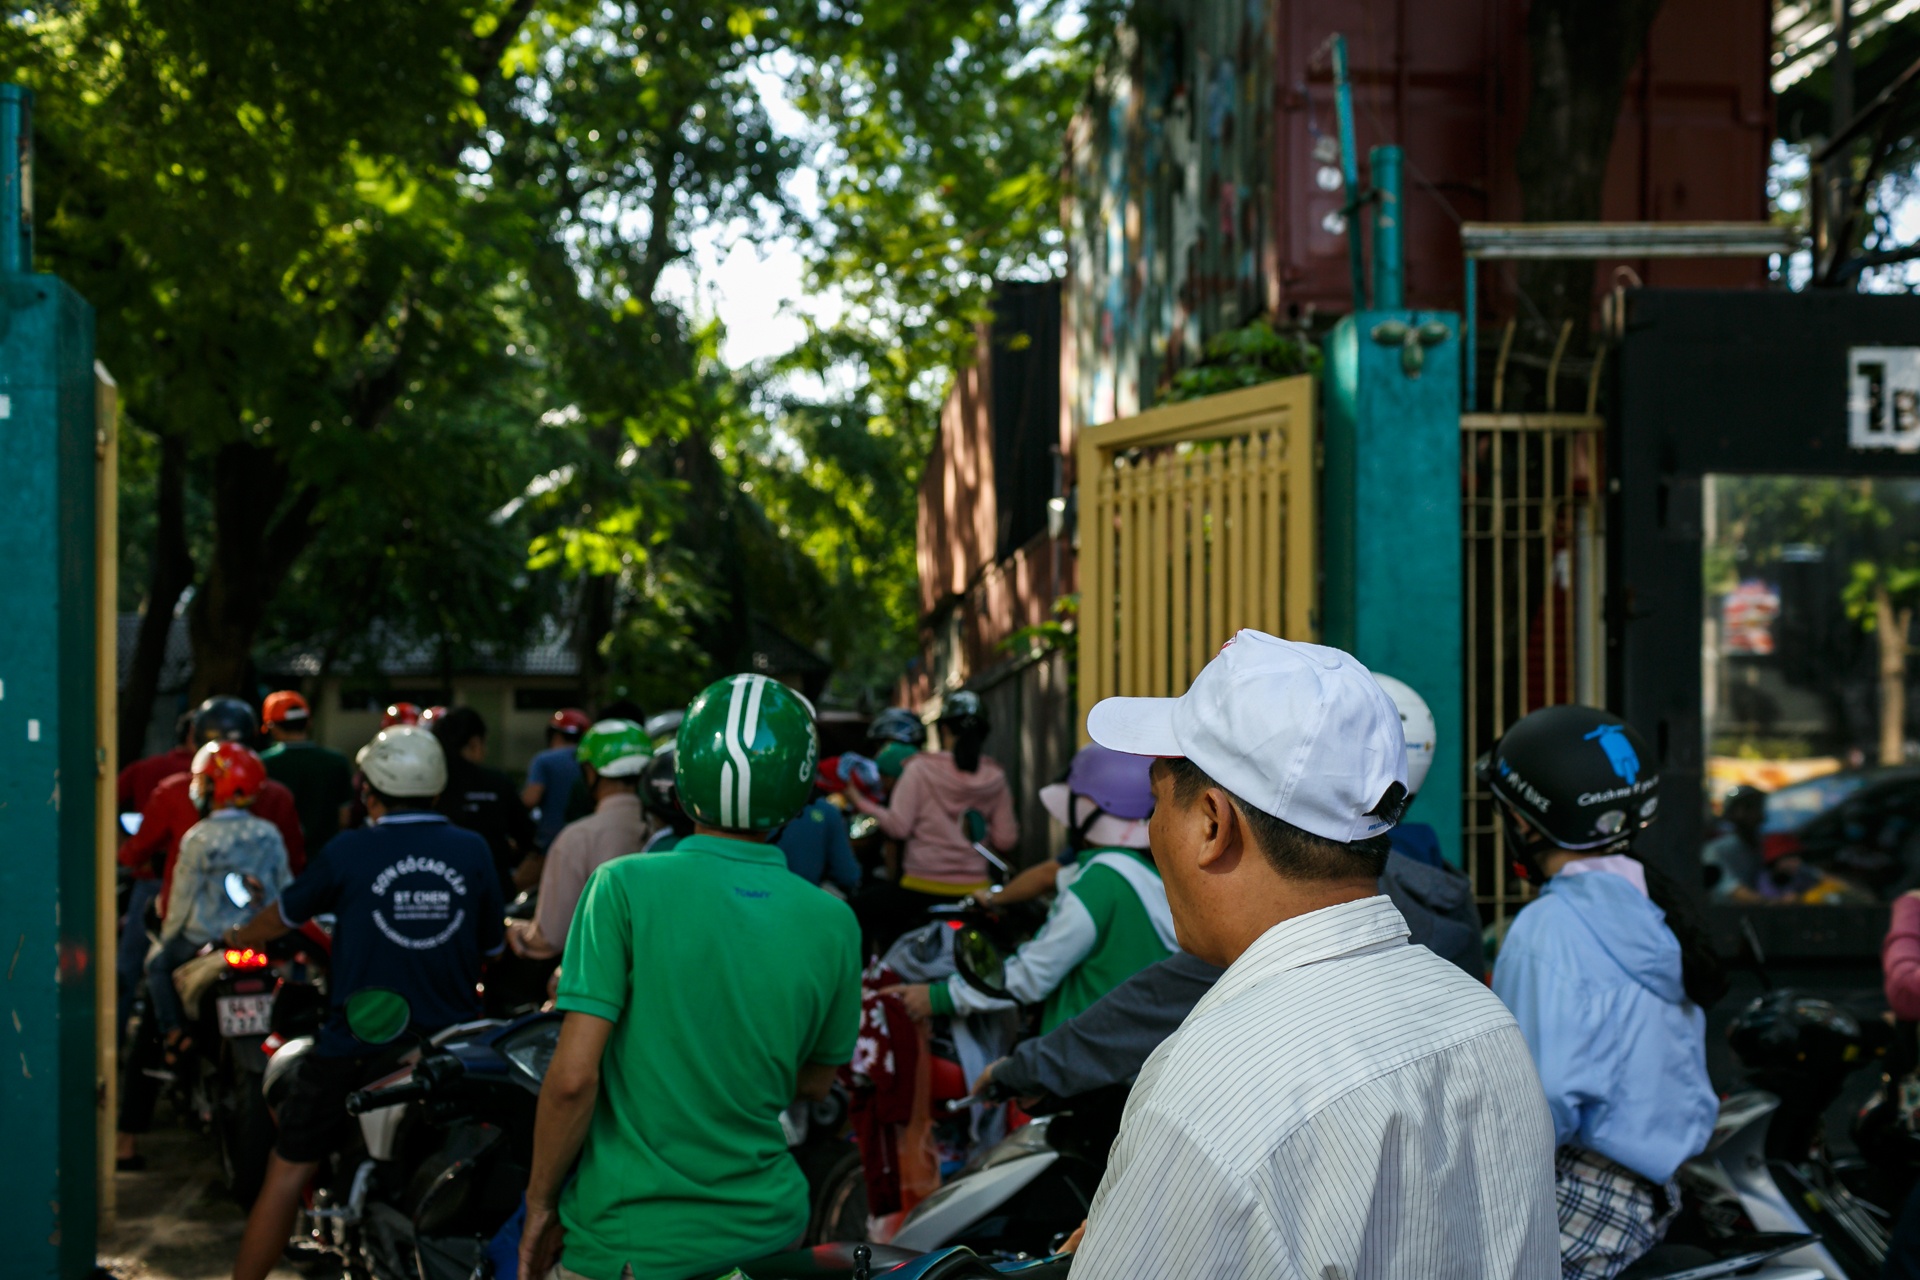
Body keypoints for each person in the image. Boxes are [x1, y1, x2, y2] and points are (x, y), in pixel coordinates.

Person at [1063, 629, 1558, 1279]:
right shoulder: (1484, 1020)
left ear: (1212, 823)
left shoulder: (1210, 1086)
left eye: (1157, 802)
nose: (1151, 834)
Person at [520, 674, 862, 1280]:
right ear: (800, 790)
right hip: (770, 1233)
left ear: (680, 777)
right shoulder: (834, 922)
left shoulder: (622, 887)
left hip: (634, 1243)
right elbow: (815, 1083)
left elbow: (572, 1080)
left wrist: (540, 1205)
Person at [224, 724, 504, 1280]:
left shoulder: (348, 850)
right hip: (448, 1049)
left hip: (356, 1045)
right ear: (436, 789)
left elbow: (283, 915)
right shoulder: (471, 849)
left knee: (286, 1169)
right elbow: (492, 946)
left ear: (369, 791)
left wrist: (237, 936)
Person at [1485, 706, 1723, 1280]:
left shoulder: (1548, 929)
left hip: (1578, 1196)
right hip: (1650, 1197)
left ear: (1523, 822)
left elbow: (1538, 1105)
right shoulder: (1652, 911)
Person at [885, 743, 1175, 1034]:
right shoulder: (1144, 873)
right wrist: (996, 898)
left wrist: (939, 997)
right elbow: (1057, 877)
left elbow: (1033, 974)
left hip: (1084, 1048)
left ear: (1088, 808)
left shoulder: (1099, 884)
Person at [145, 742, 292, 1062]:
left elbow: (182, 900)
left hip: (206, 939)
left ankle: (176, 1036)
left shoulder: (198, 838)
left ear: (215, 786)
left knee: (157, 966)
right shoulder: (268, 833)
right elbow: (285, 888)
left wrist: (168, 938)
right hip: (260, 937)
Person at [848, 691, 1018, 953]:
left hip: (919, 889)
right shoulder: (995, 777)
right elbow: (1006, 840)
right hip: (976, 892)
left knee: (854, 912)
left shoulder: (919, 768)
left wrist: (859, 801)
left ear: (943, 729)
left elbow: (898, 827)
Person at [119, 697, 306, 922]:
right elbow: (293, 863)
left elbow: (136, 852)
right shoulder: (276, 798)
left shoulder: (175, 794)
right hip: (256, 920)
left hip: (193, 923)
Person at [507, 719, 651, 961]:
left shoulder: (577, 838)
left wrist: (514, 929)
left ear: (591, 771)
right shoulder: (662, 832)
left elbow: (551, 937)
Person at [115, 711, 195, 1041]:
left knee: (133, 964)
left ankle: (117, 1038)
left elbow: (104, 799)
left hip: (154, 883)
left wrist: (124, 850)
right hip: (215, 894)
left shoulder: (153, 774)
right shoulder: (241, 778)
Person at [430, 705, 537, 895]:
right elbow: (529, 839)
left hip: (438, 891)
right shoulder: (497, 784)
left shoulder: (430, 786)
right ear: (475, 743)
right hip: (491, 891)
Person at [259, 690, 354, 856]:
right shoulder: (337, 761)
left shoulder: (261, 764)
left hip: (279, 858)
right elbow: (344, 818)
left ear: (272, 727)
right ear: (309, 722)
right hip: (327, 857)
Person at [522, 707, 593, 856]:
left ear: (555, 735)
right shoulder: (592, 760)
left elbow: (530, 799)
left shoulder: (544, 760)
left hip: (551, 841)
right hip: (589, 838)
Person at [775, 791, 862, 895]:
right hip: (803, 898)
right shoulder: (827, 811)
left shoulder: (760, 810)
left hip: (764, 895)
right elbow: (848, 876)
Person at [1702, 786, 1767, 901]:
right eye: (1749, 807)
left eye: (1758, 806)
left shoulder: (1761, 846)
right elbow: (1733, 891)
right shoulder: (1716, 849)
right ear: (1733, 813)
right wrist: (1772, 904)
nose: (1757, 814)